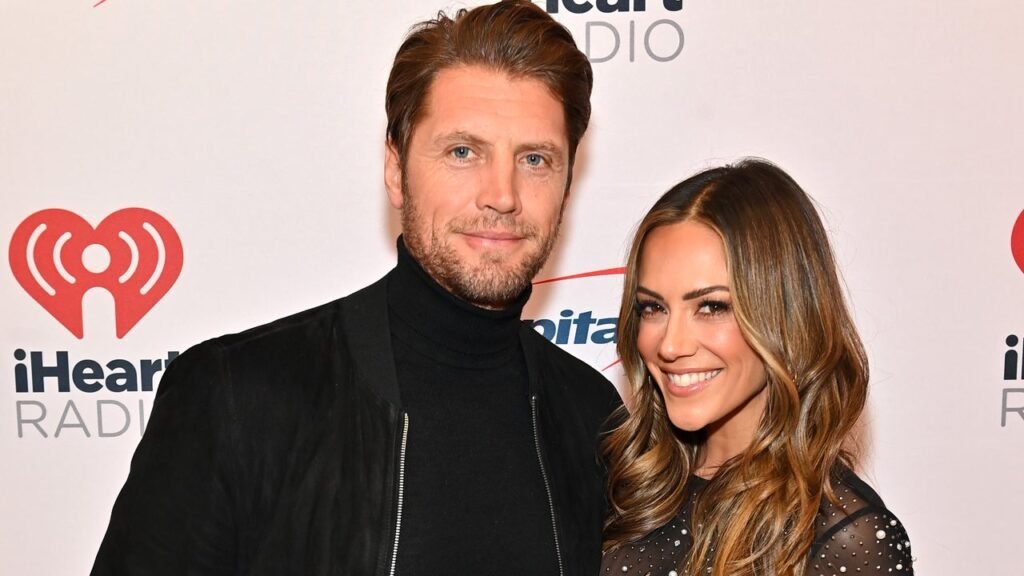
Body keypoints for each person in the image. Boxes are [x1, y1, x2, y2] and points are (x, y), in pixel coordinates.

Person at [90, 2, 621, 575]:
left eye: (535, 159)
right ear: (396, 170)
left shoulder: (593, 419)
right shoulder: (236, 397)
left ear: (567, 184)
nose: (502, 195)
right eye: (463, 152)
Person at [601, 159, 914, 575]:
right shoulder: (627, 486)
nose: (671, 345)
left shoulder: (845, 538)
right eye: (653, 308)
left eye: (712, 307)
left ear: (786, 316)